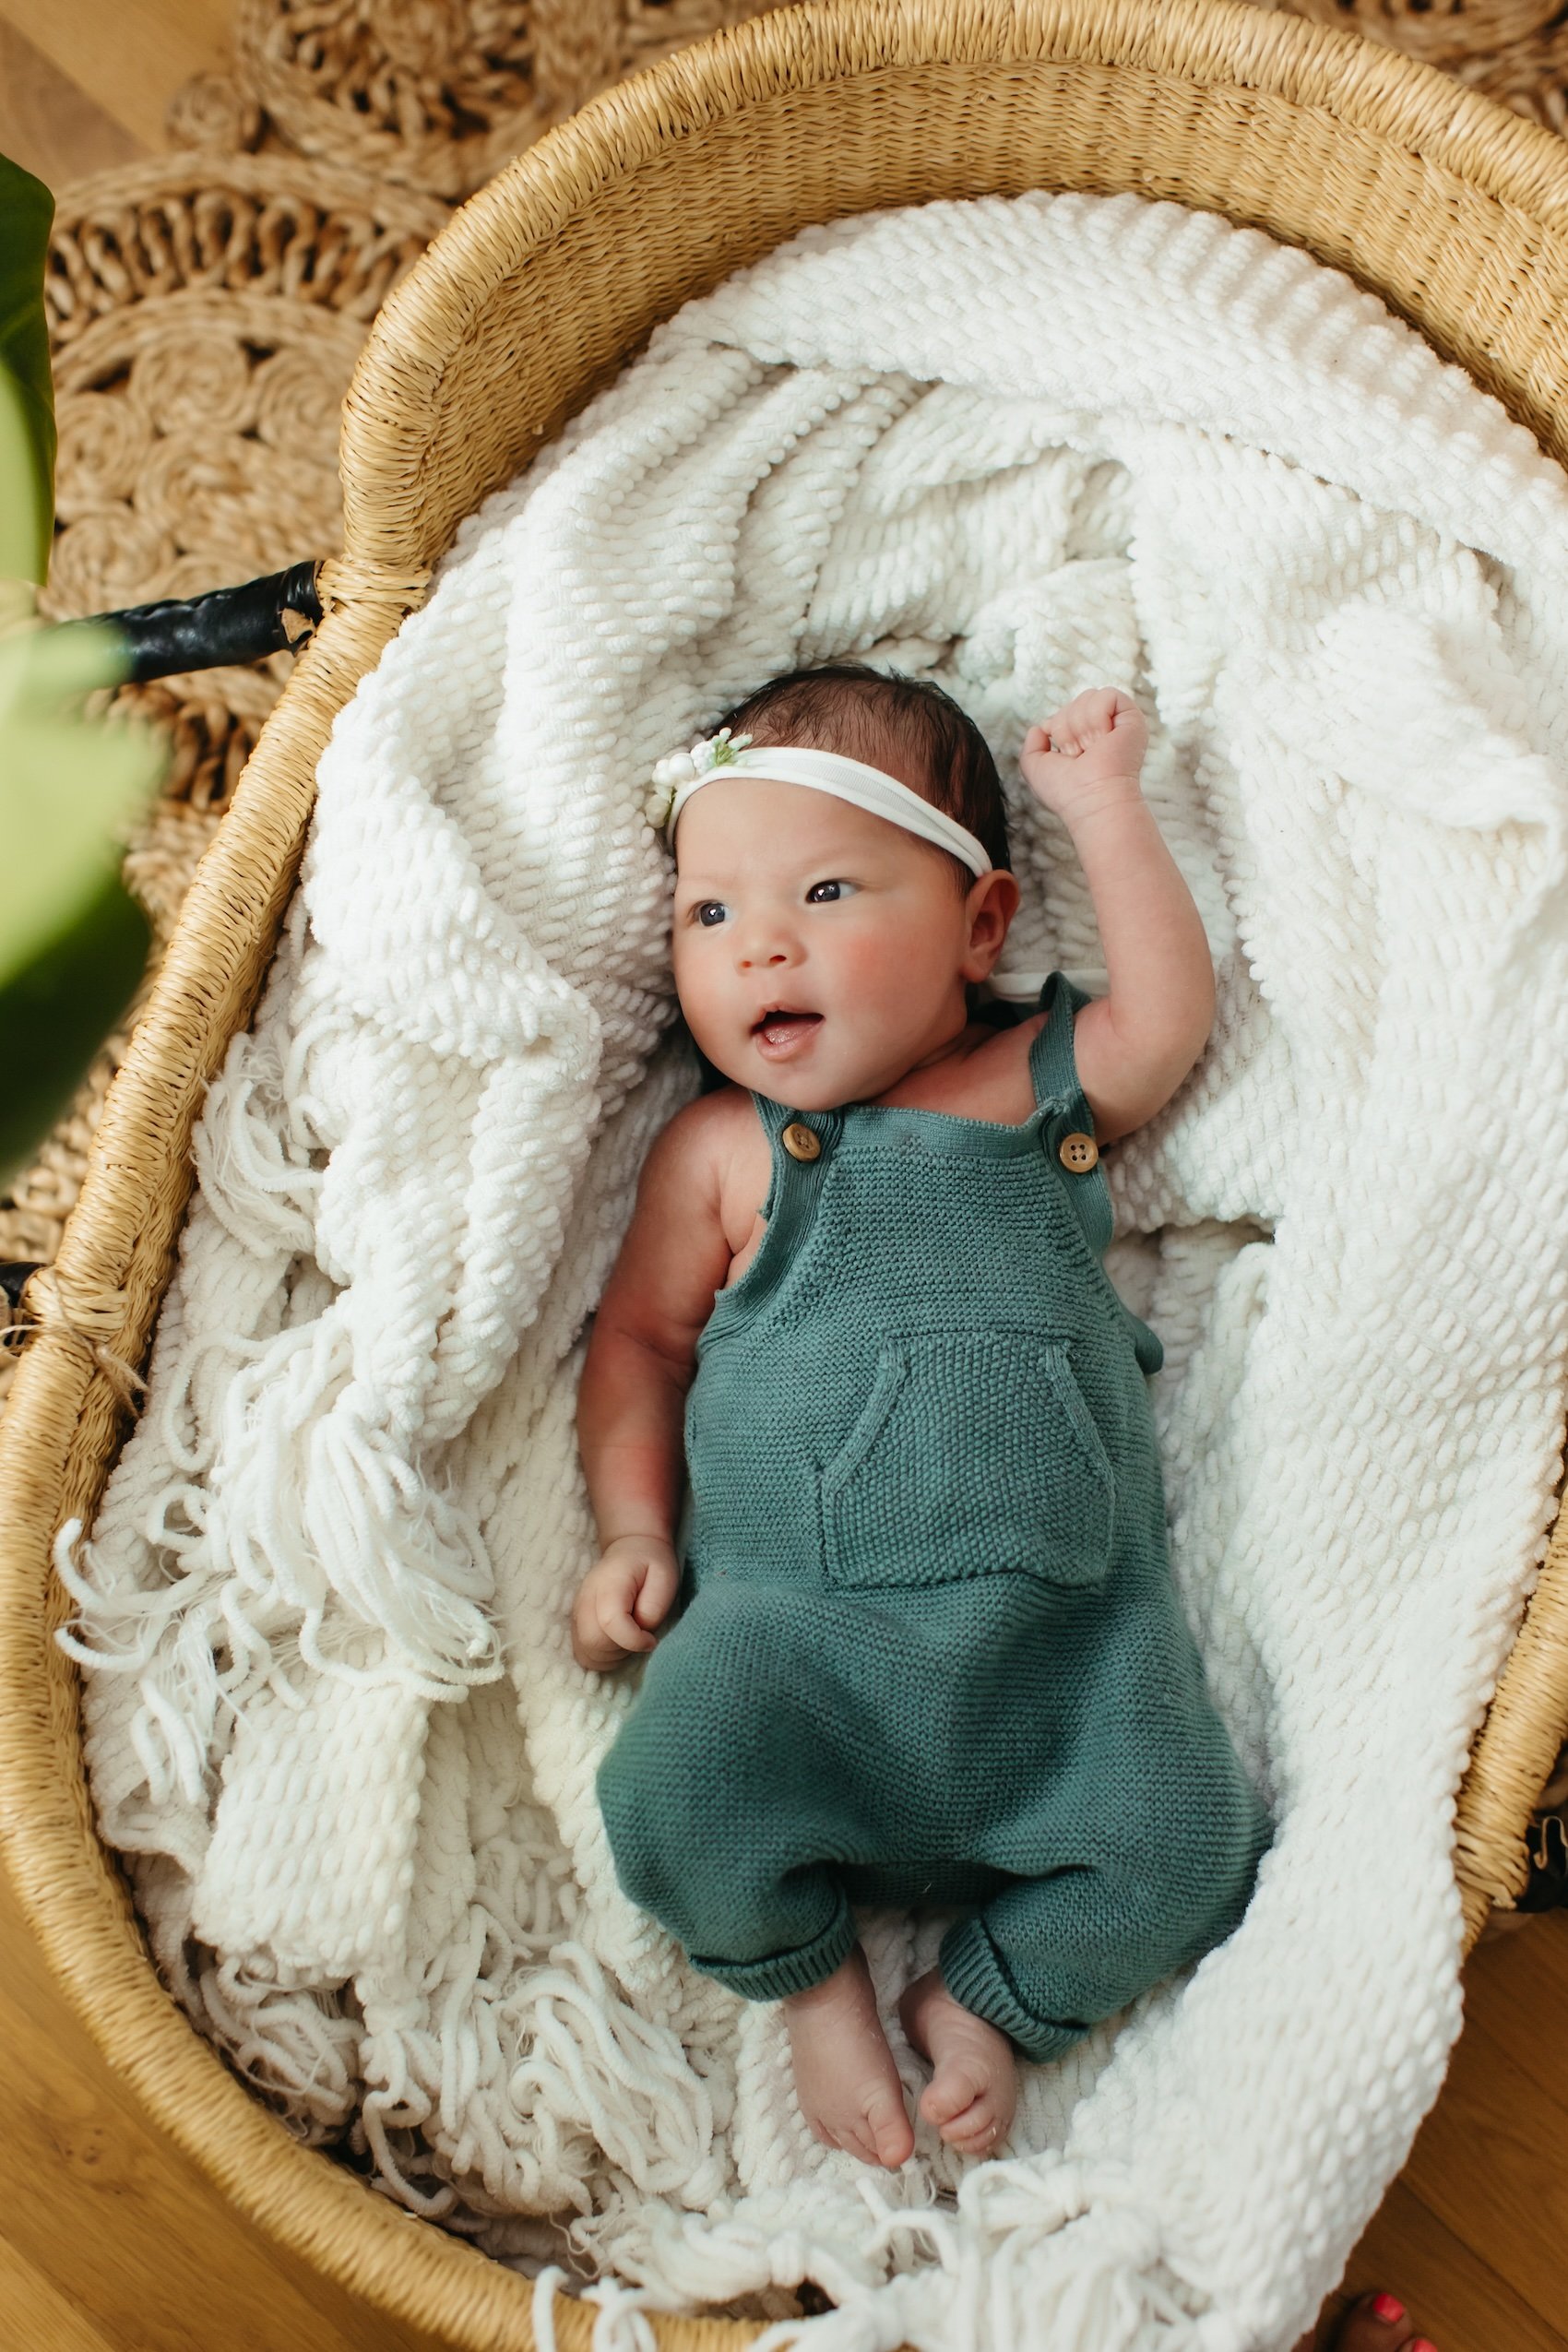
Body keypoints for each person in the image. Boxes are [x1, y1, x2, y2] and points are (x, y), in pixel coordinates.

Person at [573, 661, 1272, 2168]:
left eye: (826, 889)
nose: (759, 942)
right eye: (710, 914)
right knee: (672, 1782)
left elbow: (1165, 1010)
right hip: (798, 1650)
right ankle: (811, 1975)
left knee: (1194, 1840)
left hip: (1072, 1661)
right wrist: (631, 1526)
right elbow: (636, 1341)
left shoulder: (1035, 1089)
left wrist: (1103, 805)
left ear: (980, 925)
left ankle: (999, 1997)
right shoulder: (727, 1153)